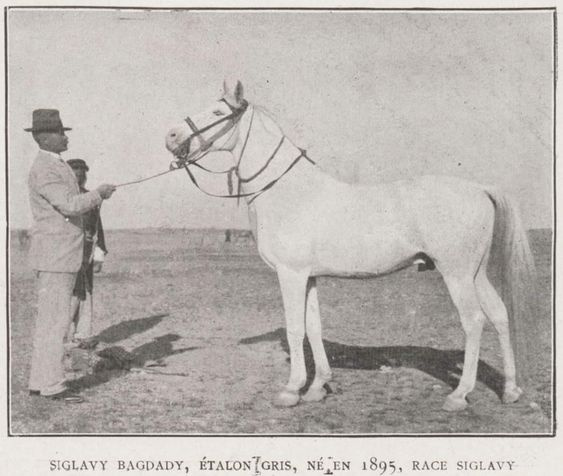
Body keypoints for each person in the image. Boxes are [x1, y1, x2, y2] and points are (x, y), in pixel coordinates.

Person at [25, 109, 116, 403]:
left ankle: (42, 381)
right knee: (55, 323)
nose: (66, 137)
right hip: (56, 257)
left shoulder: (55, 164)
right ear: (45, 137)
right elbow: (69, 206)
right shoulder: (45, 168)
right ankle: (51, 385)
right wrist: (98, 194)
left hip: (60, 256)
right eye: (62, 132)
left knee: (51, 322)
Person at [66, 158, 107, 348]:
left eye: (83, 172)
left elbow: (97, 227)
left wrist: (99, 255)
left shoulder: (91, 198)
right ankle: (66, 336)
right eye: (75, 171)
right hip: (66, 254)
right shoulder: (62, 198)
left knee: (86, 291)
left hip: (87, 252)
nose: (80, 175)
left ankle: (82, 335)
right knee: (69, 292)